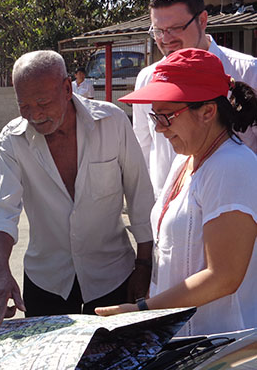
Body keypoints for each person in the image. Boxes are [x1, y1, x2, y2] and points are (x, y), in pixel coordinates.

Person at [0, 50, 155, 326]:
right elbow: (2, 210)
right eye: (24, 105)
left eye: (42, 102)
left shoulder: (112, 123)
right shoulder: (12, 140)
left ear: (66, 88)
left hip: (113, 274)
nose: (35, 114)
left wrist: (144, 264)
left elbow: (140, 195)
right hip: (47, 280)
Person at [96, 48, 257, 337]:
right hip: (185, 338)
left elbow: (223, 277)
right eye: (154, 116)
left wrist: (144, 310)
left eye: (166, 117)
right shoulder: (185, 159)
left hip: (220, 344)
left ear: (208, 111)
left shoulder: (232, 167)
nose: (158, 129)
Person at [133, 0, 257, 199]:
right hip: (169, 213)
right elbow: (142, 150)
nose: (166, 39)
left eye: (175, 28)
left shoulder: (248, 72)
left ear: (202, 20)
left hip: (234, 211)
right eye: (159, 31)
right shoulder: (147, 79)